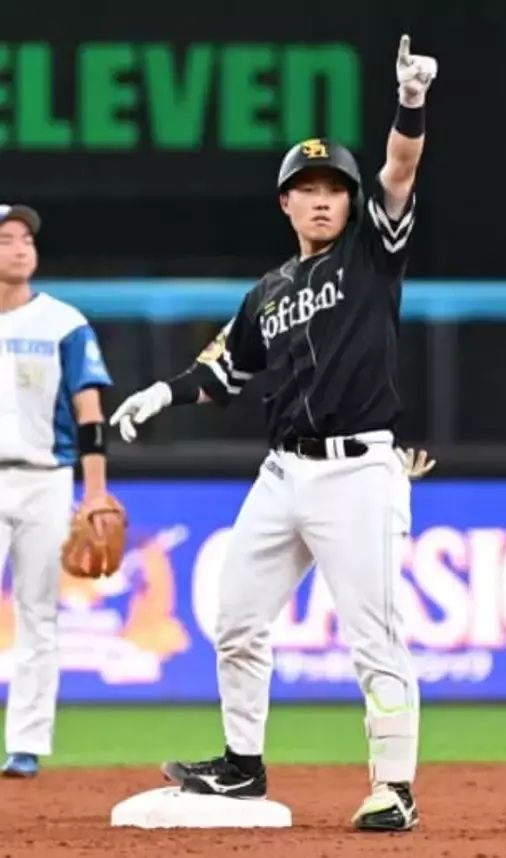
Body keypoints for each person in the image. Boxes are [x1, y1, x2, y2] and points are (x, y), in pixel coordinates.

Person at [110, 35, 438, 832]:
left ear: (349, 204)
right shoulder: (267, 293)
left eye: (335, 189)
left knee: (374, 636)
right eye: (307, 189)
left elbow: (399, 172)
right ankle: (241, 766)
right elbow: (222, 370)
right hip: (283, 475)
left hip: (357, 472)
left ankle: (394, 788)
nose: (323, 200)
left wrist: (411, 102)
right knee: (235, 620)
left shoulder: (370, 255)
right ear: (285, 203)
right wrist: (160, 392)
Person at [0, 204, 113, 777]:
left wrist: (95, 493)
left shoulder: (63, 323)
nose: (20, 248)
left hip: (45, 479)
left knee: (39, 612)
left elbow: (89, 413)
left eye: (26, 239)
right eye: (6, 239)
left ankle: (24, 745)